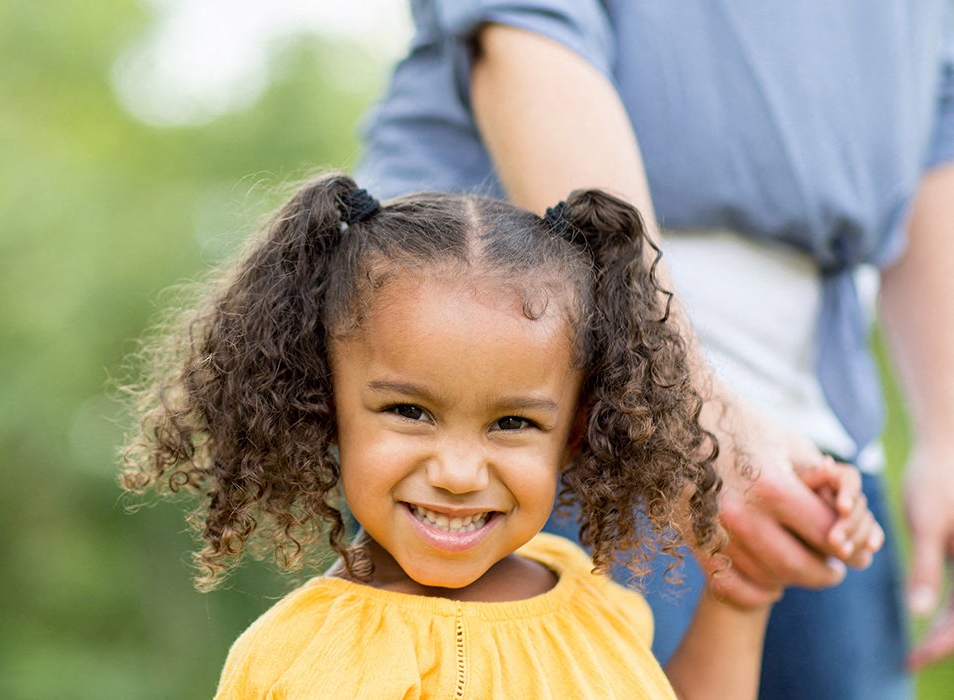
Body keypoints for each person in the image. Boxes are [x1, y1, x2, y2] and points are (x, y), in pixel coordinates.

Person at [354, 3, 954, 696]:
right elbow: (526, 34)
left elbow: (936, 115)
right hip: (543, 348)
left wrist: (945, 431)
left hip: (818, 408)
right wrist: (685, 404)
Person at [120, 175, 879, 698]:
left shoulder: (587, 597)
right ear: (322, 409)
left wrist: (740, 598)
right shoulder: (301, 658)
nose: (456, 471)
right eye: (410, 412)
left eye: (512, 423)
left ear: (577, 434)